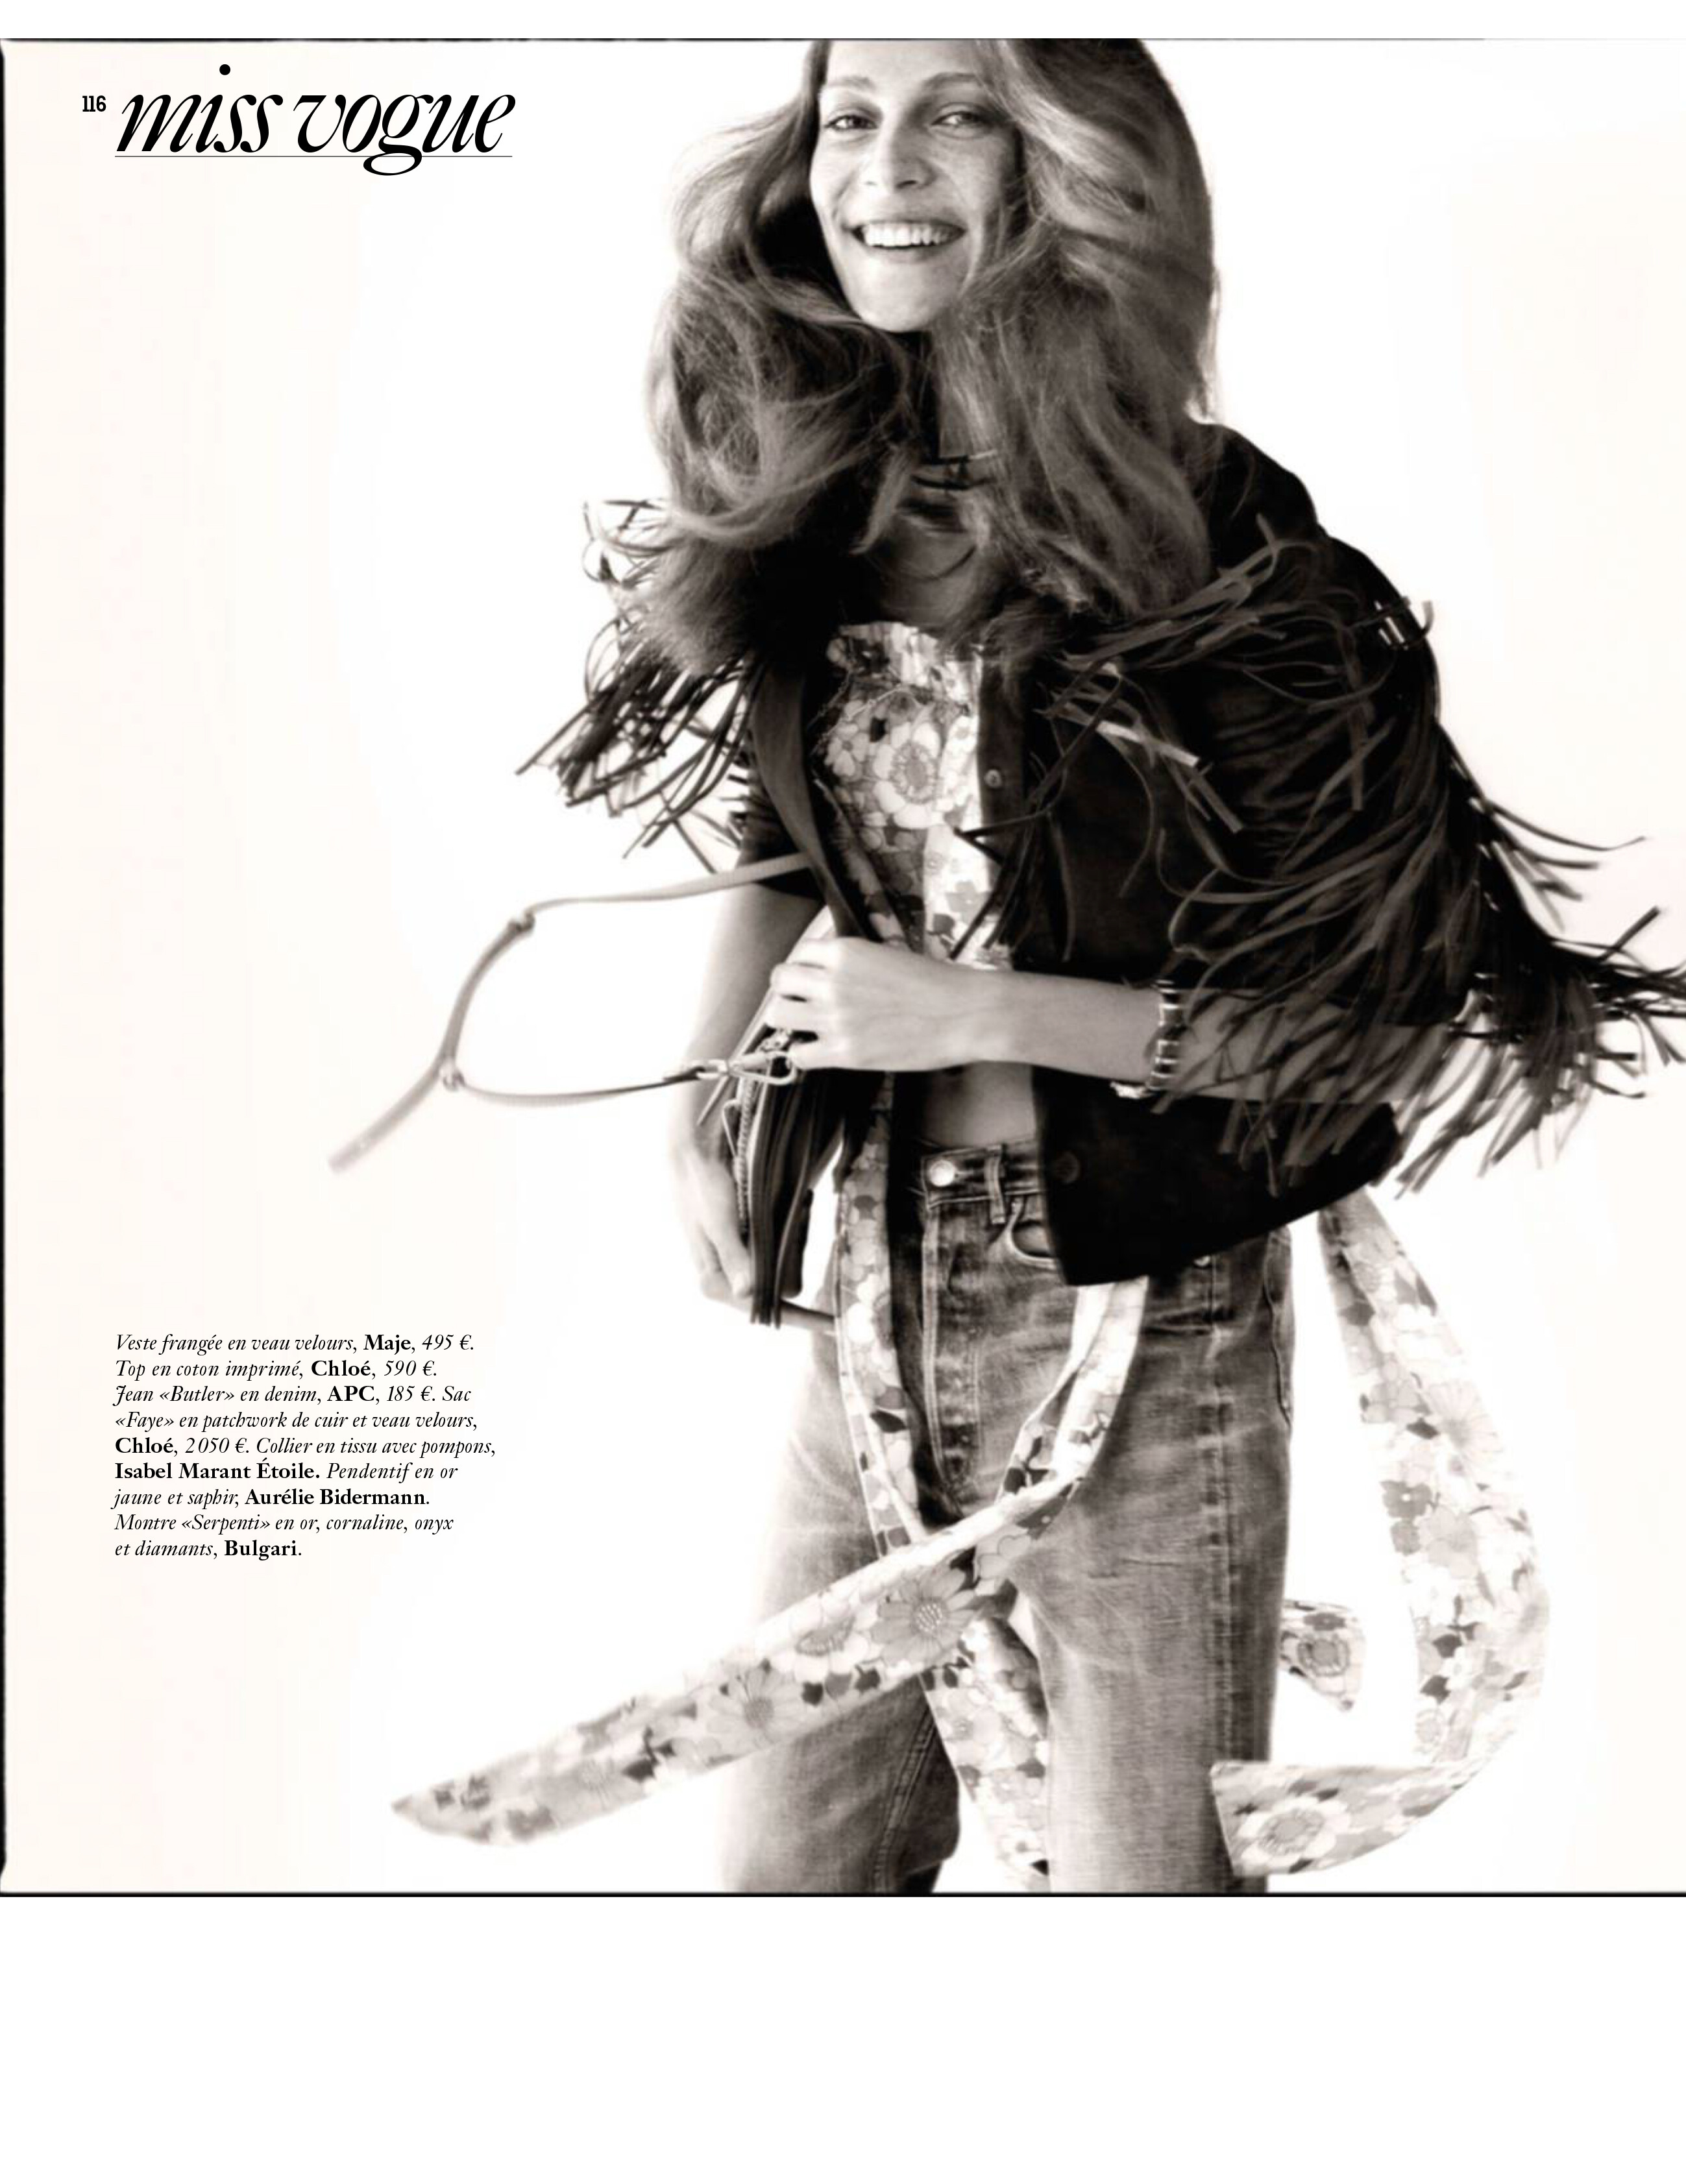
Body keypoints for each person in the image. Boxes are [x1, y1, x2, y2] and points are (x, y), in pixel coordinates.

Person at [529, 39, 1683, 1892]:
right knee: (787, 1889)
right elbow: (786, 832)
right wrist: (697, 1098)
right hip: (874, 1289)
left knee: (1147, 1910)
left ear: (1075, 166)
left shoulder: (1225, 545)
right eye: (849, 115)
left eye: (960, 110)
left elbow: (1362, 1040)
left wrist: (975, 1014)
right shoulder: (829, 512)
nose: (883, 166)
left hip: (1153, 1318)